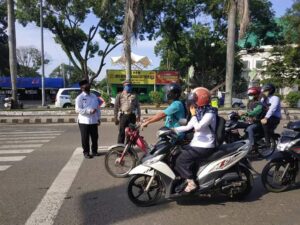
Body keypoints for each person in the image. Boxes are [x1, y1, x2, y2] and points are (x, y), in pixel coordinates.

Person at [173, 87, 217, 193]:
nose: (192, 104)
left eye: (193, 101)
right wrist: (171, 130)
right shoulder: (200, 112)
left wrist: (193, 115)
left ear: (200, 101)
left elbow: (198, 127)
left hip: (205, 146)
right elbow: (188, 127)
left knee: (181, 160)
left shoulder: (209, 113)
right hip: (197, 144)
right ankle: (185, 177)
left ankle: (191, 183)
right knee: (176, 152)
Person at [75, 79, 101, 159]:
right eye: (85, 85)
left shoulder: (94, 96)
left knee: (95, 137)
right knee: (85, 138)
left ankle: (94, 151)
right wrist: (89, 111)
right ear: (82, 88)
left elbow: (97, 108)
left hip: (93, 120)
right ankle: (86, 152)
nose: (88, 86)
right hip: (84, 121)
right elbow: (77, 109)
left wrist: (98, 118)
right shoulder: (80, 97)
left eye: (88, 84)